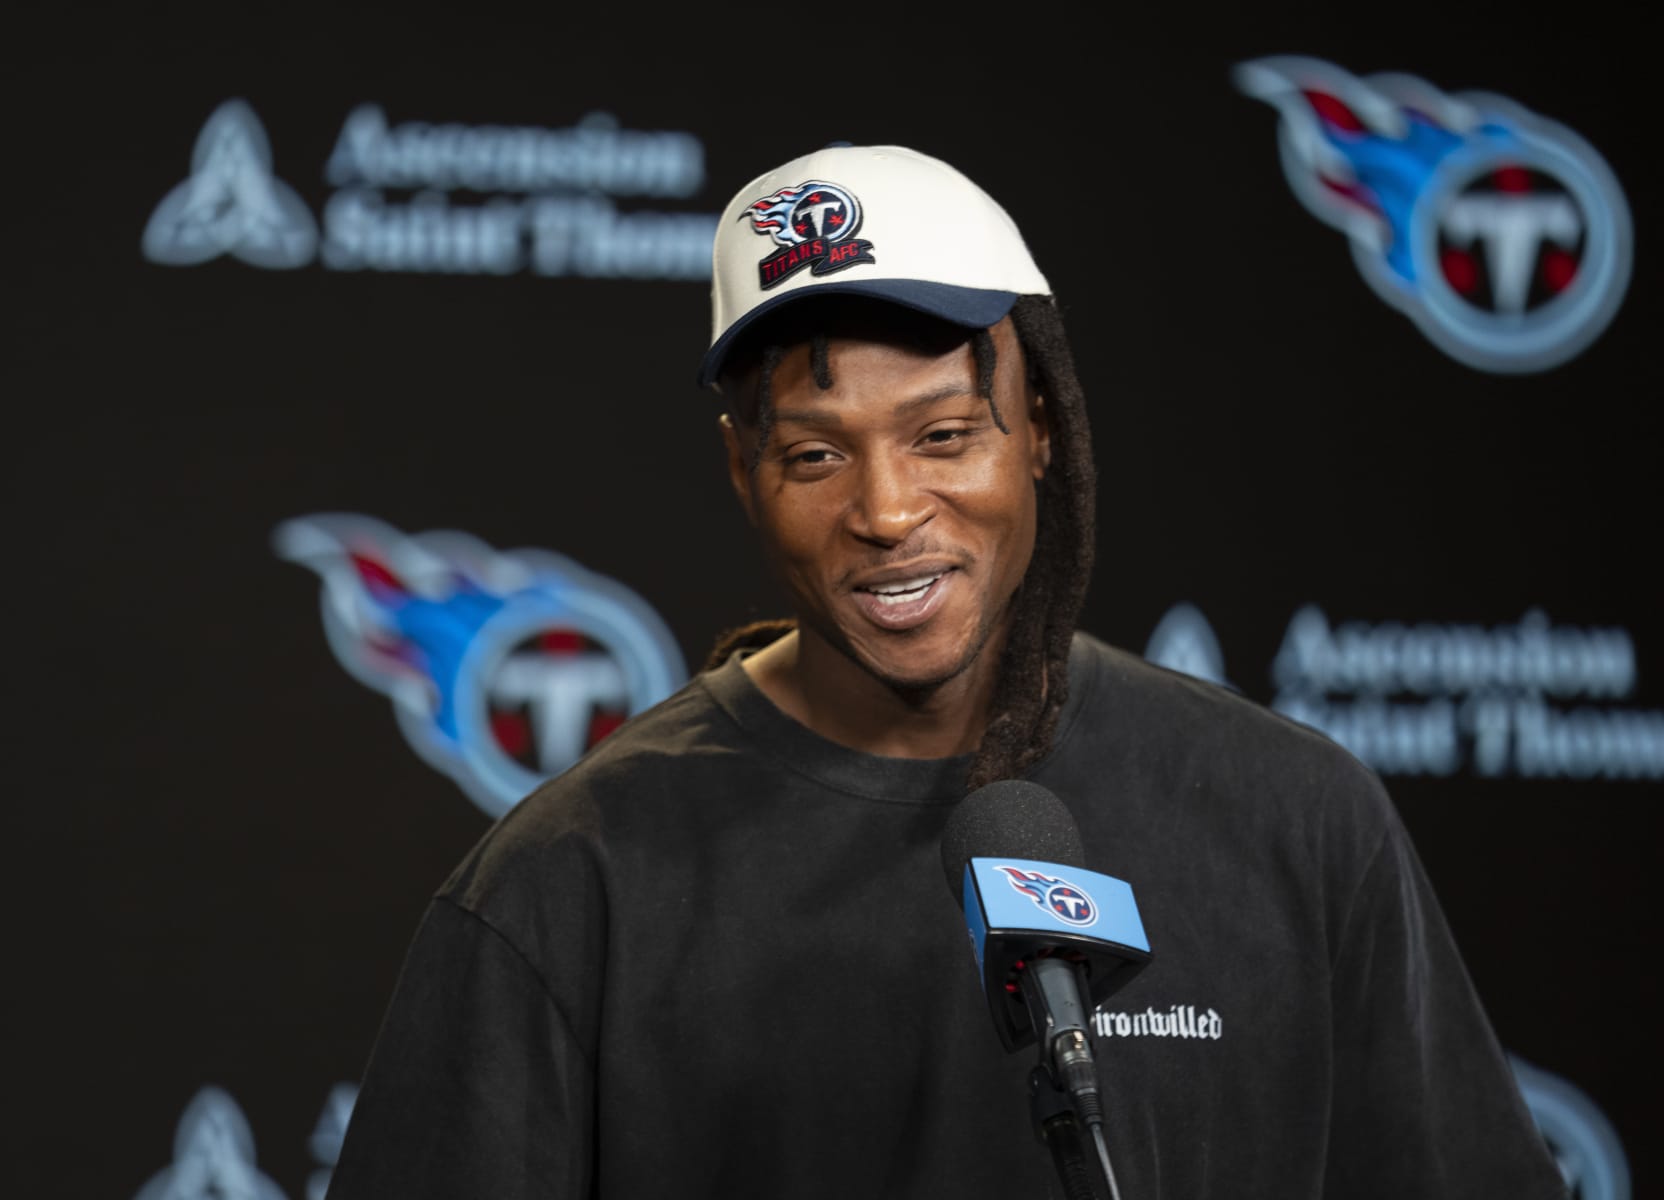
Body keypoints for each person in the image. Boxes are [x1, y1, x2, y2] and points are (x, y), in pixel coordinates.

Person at [326, 145, 1563, 1198]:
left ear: (1041, 431)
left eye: (944, 435)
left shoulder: (1295, 818)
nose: (886, 508)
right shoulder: (570, 883)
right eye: (815, 455)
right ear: (741, 473)